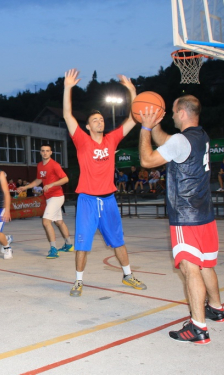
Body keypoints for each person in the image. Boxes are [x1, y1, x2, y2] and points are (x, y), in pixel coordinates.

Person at [138, 95, 224, 344]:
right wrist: (155, 123)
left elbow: (146, 160)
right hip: (205, 214)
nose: (173, 115)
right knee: (206, 264)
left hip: (186, 216)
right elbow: (167, 142)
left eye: (175, 111)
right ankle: (217, 308)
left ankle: (198, 327)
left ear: (184, 113)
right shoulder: (201, 136)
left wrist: (144, 128)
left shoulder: (180, 140)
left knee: (190, 269)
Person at [63, 68, 147, 297]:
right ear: (88, 126)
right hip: (88, 200)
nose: (99, 121)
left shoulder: (111, 139)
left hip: (109, 199)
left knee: (118, 241)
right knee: (82, 243)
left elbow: (132, 119)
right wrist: (67, 88)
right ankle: (79, 281)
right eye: (95, 120)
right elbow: (68, 117)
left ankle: (128, 275)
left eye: (101, 119)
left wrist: (131, 91)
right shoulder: (82, 141)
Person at [17, 143, 74, 258]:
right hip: (49, 197)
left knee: (46, 222)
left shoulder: (54, 165)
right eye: (43, 151)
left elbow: (65, 179)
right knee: (59, 222)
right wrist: (26, 187)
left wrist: (51, 184)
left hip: (57, 196)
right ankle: (69, 245)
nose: (45, 153)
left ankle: (53, 249)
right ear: (40, 152)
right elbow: (38, 180)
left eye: (47, 151)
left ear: (51, 152)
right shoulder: (40, 165)